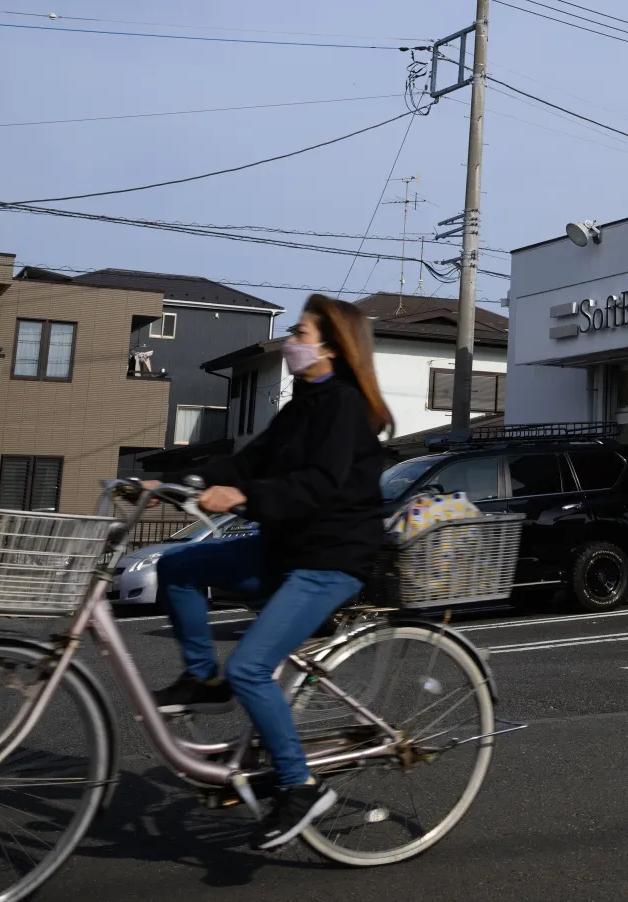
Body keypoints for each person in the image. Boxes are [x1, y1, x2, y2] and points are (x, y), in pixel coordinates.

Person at [150, 294, 391, 851]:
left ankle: (299, 785)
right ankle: (202, 680)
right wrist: (178, 482)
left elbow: (317, 488)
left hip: (331, 560)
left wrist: (243, 496)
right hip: (285, 548)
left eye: (300, 333)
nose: (290, 341)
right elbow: (247, 461)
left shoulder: (345, 407)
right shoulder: (303, 404)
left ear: (329, 345)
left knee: (252, 669)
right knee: (179, 565)